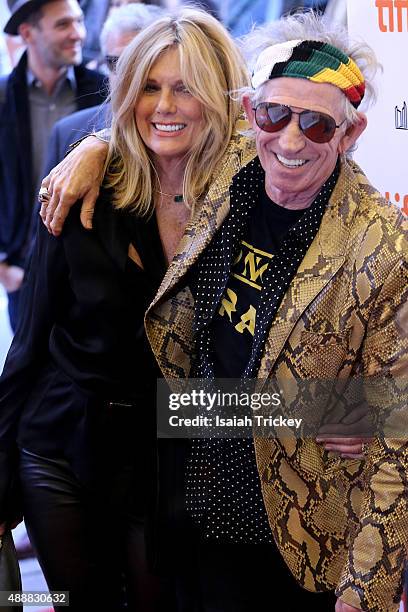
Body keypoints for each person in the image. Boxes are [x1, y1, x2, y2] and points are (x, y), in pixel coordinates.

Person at [40, 9, 408, 612]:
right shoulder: (230, 176)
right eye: (275, 115)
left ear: (352, 132)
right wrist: (95, 145)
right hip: (196, 512)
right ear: (248, 115)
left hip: (303, 538)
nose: (290, 140)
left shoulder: (384, 247)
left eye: (318, 125)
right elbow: (161, 122)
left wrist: (363, 594)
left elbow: (397, 440)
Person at [0, 8, 251, 612]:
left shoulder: (256, 199)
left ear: (220, 97)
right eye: (148, 86)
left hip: (173, 454)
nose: (163, 104)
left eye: (184, 87)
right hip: (61, 447)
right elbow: (30, 342)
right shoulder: (82, 188)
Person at [0, 0, 107, 332]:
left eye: (79, 21)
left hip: (89, 272)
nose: (78, 34)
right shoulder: (3, 98)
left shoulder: (103, 91)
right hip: (23, 271)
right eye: (63, 25)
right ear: (28, 33)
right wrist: (4, 264)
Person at [43, 2, 164, 173]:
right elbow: (48, 198)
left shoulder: (179, 126)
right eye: (115, 62)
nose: (125, 74)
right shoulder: (66, 133)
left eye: (137, 62)